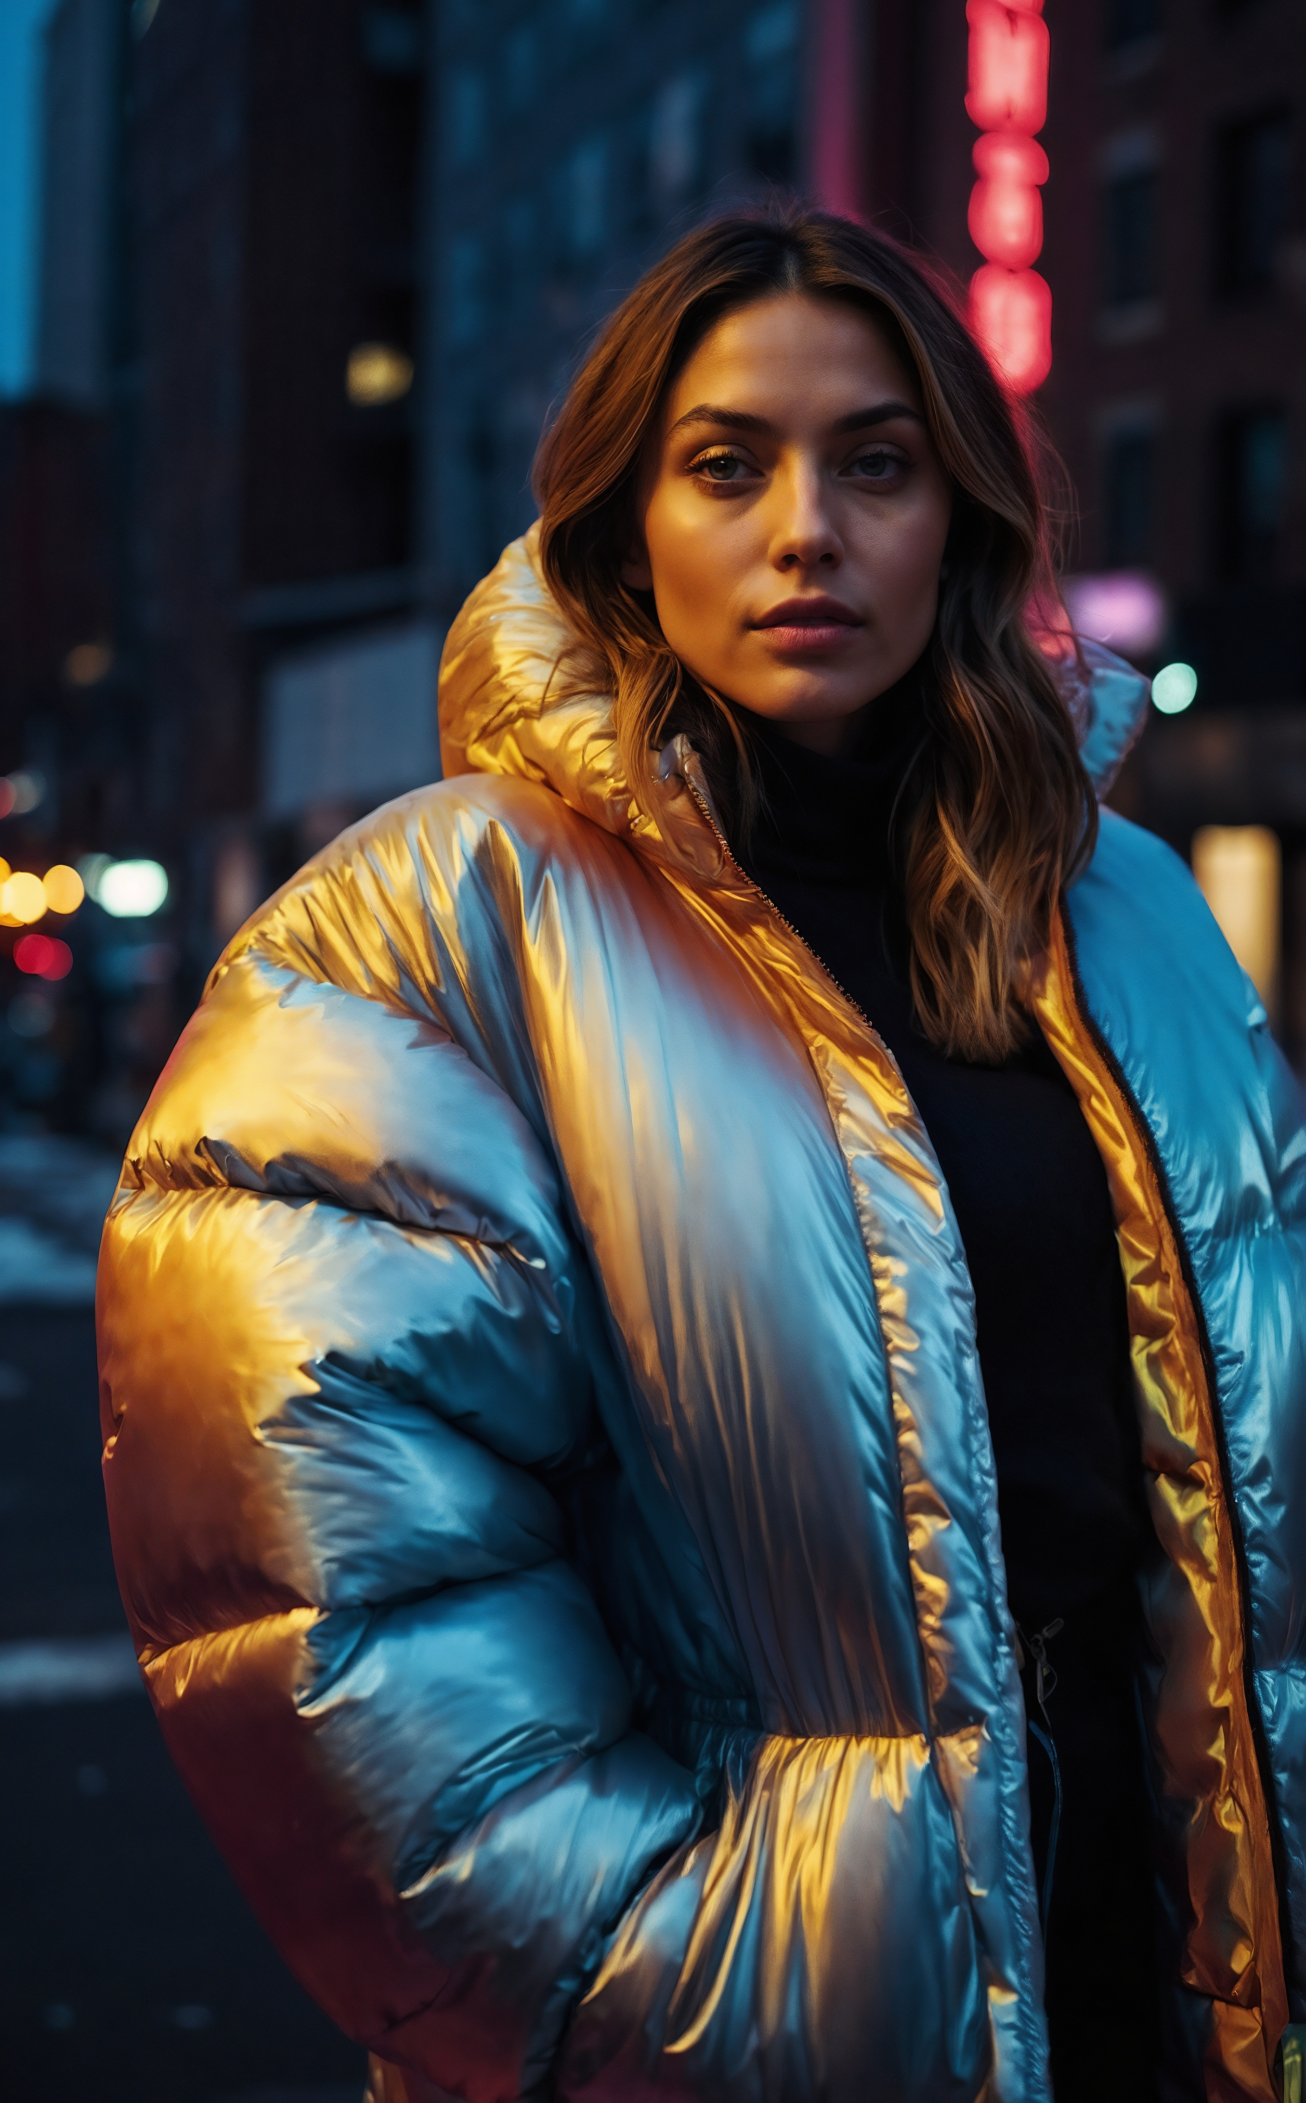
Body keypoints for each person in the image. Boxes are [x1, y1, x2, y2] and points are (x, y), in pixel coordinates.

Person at [97, 207, 1306, 2103]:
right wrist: (691, 1995)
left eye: (877, 465)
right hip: (734, 2020)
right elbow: (337, 1614)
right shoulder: (424, 934)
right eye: (727, 465)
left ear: (960, 521)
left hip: (1154, 1983)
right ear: (622, 526)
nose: (806, 529)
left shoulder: (1123, 907)